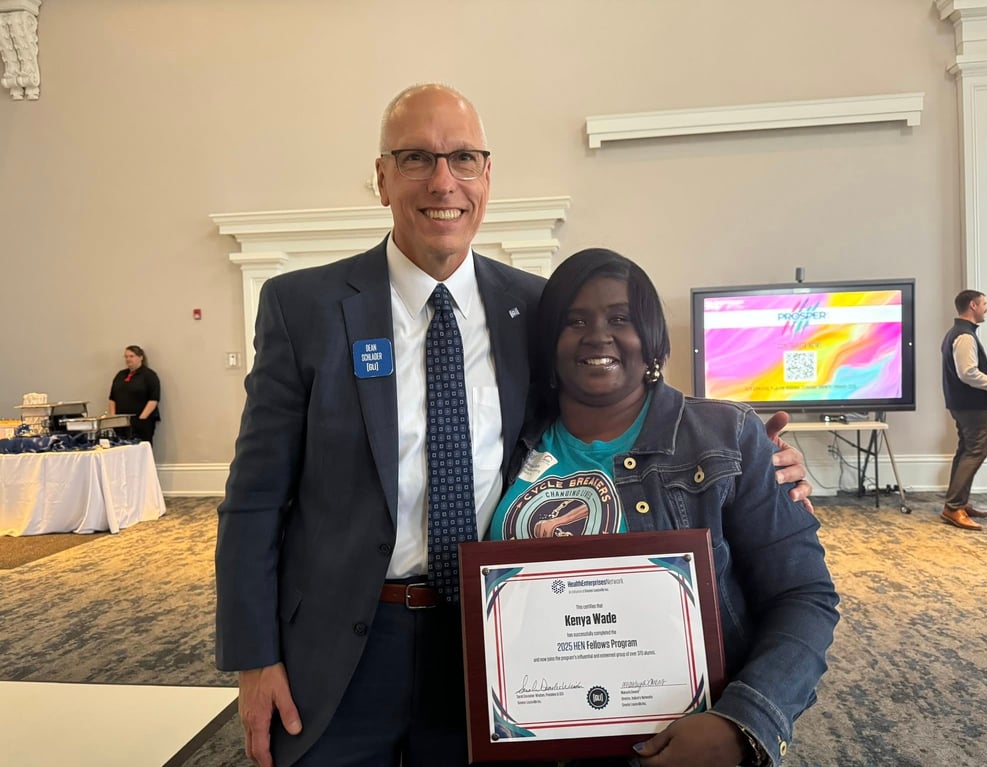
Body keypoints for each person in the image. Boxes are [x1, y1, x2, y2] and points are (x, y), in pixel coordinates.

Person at [215, 83, 815, 767]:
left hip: (499, 633)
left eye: (463, 158)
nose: (443, 181)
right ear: (382, 177)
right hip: (341, 640)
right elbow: (254, 496)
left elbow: (613, 395)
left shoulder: (534, 309)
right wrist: (253, 656)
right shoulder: (303, 308)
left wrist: (750, 452)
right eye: (416, 158)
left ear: (487, 175)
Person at [490, 248, 839, 767]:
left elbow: (804, 595)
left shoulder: (728, 437)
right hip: (533, 737)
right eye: (574, 321)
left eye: (621, 319)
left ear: (651, 337)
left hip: (683, 744)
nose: (598, 336)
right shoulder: (504, 440)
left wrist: (743, 722)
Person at [940, 290, 987, 531]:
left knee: (966, 452)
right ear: (972, 305)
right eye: (984, 303)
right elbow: (968, 373)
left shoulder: (957, 333)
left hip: (963, 404)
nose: (986, 308)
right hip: (971, 406)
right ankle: (953, 507)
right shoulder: (964, 336)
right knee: (975, 452)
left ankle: (958, 503)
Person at [107, 344, 161, 443]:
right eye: (126, 357)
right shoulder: (120, 375)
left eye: (131, 356)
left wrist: (142, 418)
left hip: (141, 422)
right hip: (121, 423)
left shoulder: (149, 375)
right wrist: (113, 418)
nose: (128, 359)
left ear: (141, 357)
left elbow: (154, 399)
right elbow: (112, 398)